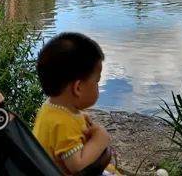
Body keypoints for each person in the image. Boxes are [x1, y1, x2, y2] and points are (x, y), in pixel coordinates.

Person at [32, 32, 120, 175]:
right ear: (78, 88)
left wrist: (78, 116)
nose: (97, 87)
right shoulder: (64, 123)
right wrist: (100, 139)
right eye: (96, 82)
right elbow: (77, 165)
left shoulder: (49, 108)